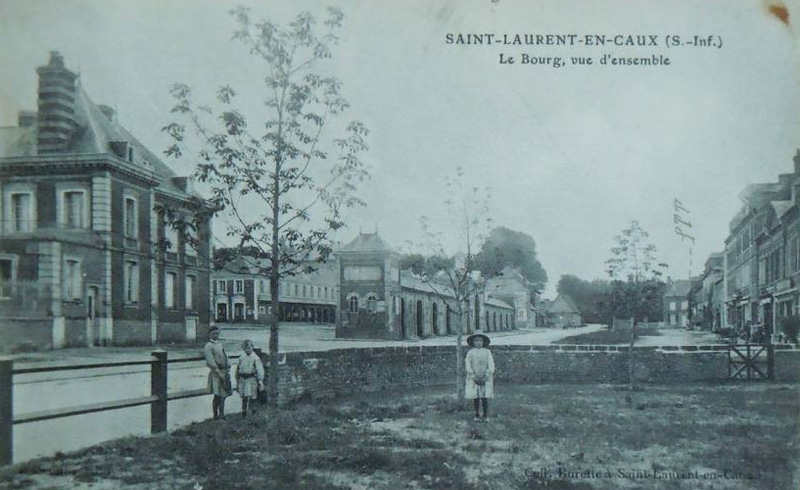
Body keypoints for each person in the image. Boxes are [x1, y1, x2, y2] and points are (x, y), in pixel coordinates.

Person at [465, 332, 495, 422]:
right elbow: (468, 364)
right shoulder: (470, 353)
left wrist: (487, 375)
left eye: (480, 340)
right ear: (473, 342)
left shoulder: (487, 352)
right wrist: (473, 376)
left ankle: (485, 415)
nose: (478, 342)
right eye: (476, 340)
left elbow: (491, 364)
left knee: (484, 396)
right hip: (474, 377)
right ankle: (477, 414)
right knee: (476, 396)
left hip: (485, 377)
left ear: (484, 342)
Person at [204, 326, 231, 420]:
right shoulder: (208, 346)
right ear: (209, 335)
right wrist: (219, 372)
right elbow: (210, 361)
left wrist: (228, 367)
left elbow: (225, 356)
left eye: (217, 333)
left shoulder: (220, 344)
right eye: (213, 334)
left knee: (223, 395)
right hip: (216, 373)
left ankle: (222, 414)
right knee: (217, 395)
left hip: (224, 371)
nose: (215, 335)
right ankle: (215, 415)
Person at [235, 340, 265, 418]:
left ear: (252, 347)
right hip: (243, 379)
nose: (247, 350)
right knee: (244, 397)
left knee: (252, 397)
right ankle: (243, 413)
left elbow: (260, 370)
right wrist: (237, 380)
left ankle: (253, 413)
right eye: (245, 348)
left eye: (249, 347)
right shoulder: (241, 357)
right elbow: (237, 369)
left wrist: (260, 381)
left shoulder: (255, 358)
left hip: (251, 379)